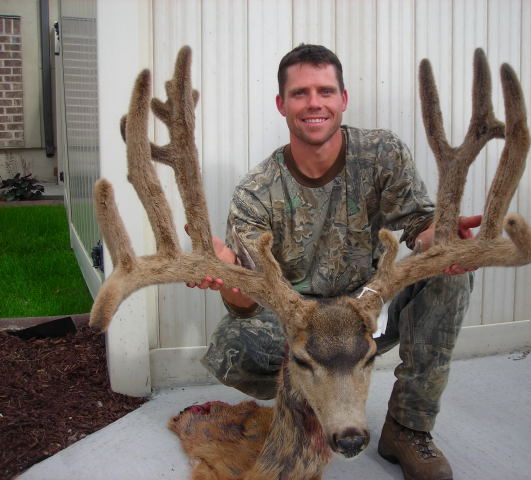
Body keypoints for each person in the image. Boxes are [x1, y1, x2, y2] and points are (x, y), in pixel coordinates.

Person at [187, 44, 479, 480]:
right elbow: (246, 301)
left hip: (366, 315)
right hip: (302, 327)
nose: (314, 103)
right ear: (281, 104)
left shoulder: (380, 153)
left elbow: (418, 221)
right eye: (300, 93)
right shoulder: (256, 192)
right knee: (236, 348)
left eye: (325, 91)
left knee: (447, 274)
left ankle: (408, 427)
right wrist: (225, 271)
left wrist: (438, 236)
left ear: (343, 99)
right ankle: (309, 411)